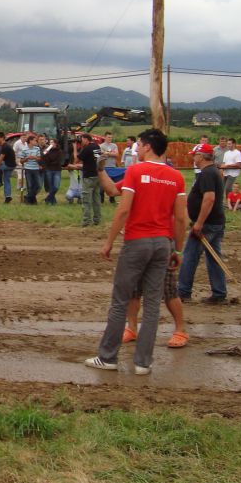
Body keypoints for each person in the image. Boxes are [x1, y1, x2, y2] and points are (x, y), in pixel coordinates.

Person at [84, 128, 187, 374]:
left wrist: (108, 241)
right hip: (163, 244)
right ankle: (143, 363)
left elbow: (122, 209)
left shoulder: (136, 171)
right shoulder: (176, 177)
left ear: (148, 146)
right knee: (152, 304)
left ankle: (107, 357)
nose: (136, 149)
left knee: (120, 300)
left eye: (139, 145)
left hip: (137, 242)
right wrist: (179, 250)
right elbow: (182, 219)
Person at [177, 143, 228, 304]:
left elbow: (209, 198)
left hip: (207, 224)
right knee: (213, 258)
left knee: (189, 256)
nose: (193, 158)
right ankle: (219, 293)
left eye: (195, 155)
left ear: (201, 156)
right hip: (215, 222)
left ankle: (183, 292)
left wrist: (199, 223)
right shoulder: (212, 172)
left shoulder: (207, 173)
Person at [73, 134, 102, 226]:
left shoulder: (87, 148)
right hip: (96, 175)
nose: (81, 141)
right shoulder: (96, 146)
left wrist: (74, 148)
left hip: (88, 176)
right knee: (96, 198)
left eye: (82, 139)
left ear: (86, 139)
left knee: (86, 199)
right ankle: (97, 220)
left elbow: (76, 160)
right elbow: (98, 159)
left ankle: (86, 220)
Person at [19, 134, 42, 204]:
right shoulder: (24, 149)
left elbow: (40, 159)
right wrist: (27, 158)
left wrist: (35, 158)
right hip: (28, 169)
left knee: (39, 185)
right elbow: (21, 161)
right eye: (35, 140)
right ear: (30, 141)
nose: (36, 141)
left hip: (36, 169)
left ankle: (28, 197)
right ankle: (32, 201)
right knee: (30, 185)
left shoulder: (37, 149)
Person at [0, 132, 16, 203]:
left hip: (8, 166)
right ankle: (8, 197)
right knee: (6, 180)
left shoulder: (5, 146)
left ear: (2, 138)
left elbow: (0, 159)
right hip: (11, 165)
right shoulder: (5, 146)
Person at [41, 136, 64, 205]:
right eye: (50, 142)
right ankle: (52, 202)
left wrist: (50, 162)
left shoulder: (59, 151)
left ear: (55, 144)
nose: (50, 143)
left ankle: (47, 198)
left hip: (57, 170)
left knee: (56, 186)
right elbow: (44, 158)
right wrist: (46, 153)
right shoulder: (47, 150)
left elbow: (58, 161)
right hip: (49, 170)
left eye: (52, 142)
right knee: (51, 186)